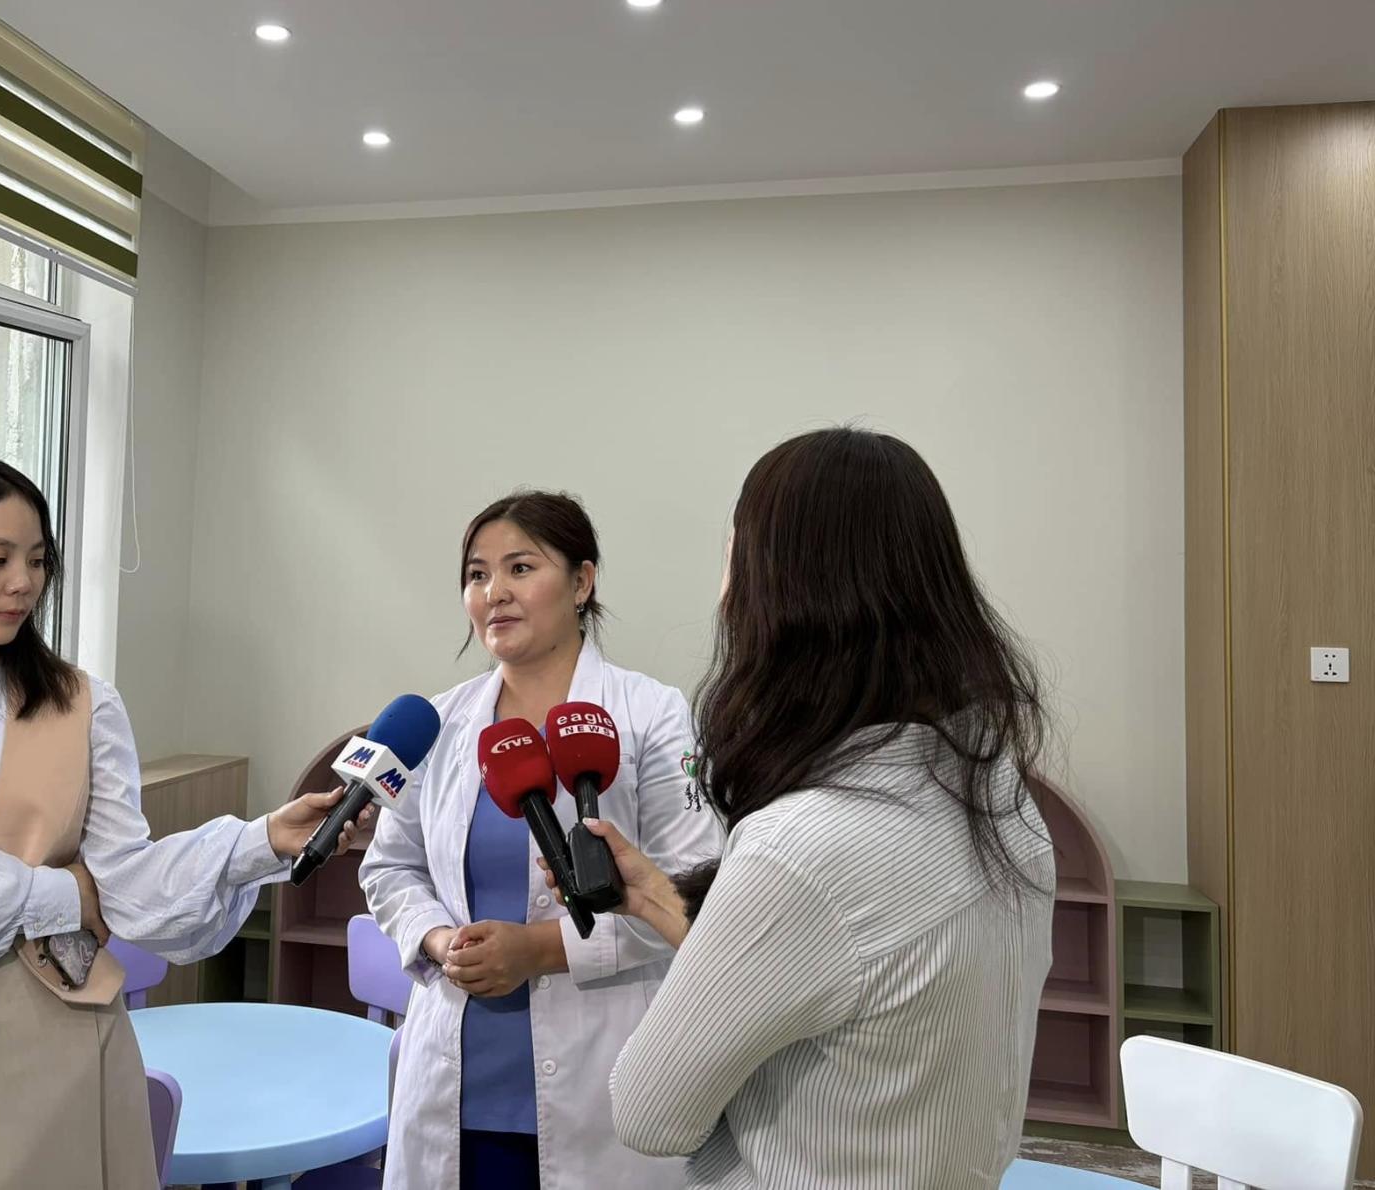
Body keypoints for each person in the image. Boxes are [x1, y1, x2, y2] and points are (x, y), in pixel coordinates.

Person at [0, 455, 363, 1190]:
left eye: (37, 561)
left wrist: (261, 842)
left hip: (67, 1054)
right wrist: (61, 893)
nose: (23, 582)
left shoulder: (86, 704)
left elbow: (127, 883)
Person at [554, 429, 1055, 1188]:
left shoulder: (800, 849)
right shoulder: (997, 793)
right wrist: (657, 896)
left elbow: (650, 1114)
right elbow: (840, 974)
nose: (724, 593)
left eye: (733, 559)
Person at [361, 490, 722, 1190]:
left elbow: (688, 889)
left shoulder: (652, 714)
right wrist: (440, 940)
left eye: (520, 568)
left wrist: (538, 950)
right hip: (456, 1086)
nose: (494, 592)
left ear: (582, 583)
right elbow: (391, 867)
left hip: (601, 1077)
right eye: (477, 574)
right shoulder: (440, 723)